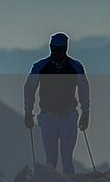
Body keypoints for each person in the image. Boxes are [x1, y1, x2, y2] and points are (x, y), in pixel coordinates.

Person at [23, 32, 91, 173]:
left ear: (65, 49)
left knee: (64, 158)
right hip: (51, 117)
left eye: (59, 49)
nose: (57, 53)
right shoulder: (74, 67)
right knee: (52, 158)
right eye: (55, 49)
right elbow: (29, 88)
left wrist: (28, 112)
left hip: (66, 117)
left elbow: (29, 88)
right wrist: (85, 112)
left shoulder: (42, 66)